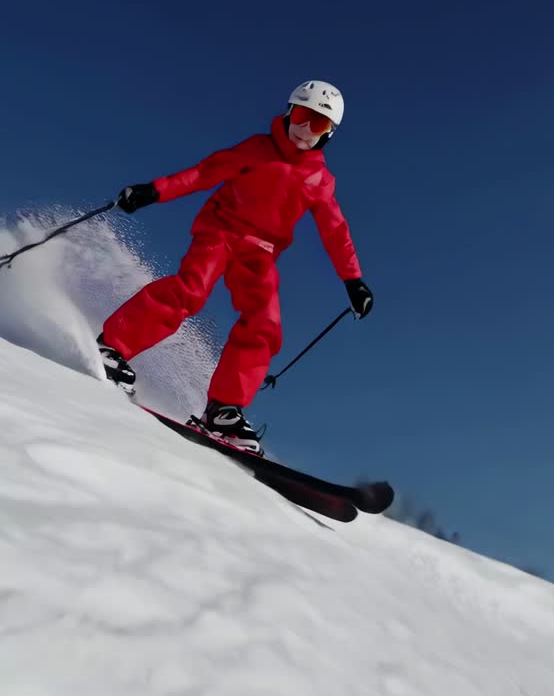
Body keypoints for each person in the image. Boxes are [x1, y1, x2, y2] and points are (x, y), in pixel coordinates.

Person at [97, 80, 373, 454]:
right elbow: (205, 173)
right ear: (291, 111)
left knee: (264, 322)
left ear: (329, 135)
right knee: (191, 290)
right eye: (305, 116)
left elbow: (335, 231)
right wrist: (154, 190)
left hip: (260, 252)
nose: (307, 130)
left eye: (320, 125)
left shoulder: (318, 181)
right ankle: (112, 347)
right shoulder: (257, 150)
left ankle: (223, 409)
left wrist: (353, 280)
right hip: (221, 231)